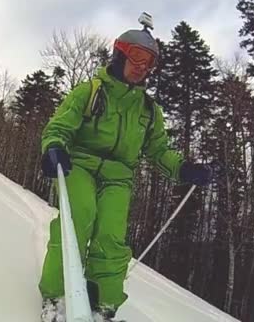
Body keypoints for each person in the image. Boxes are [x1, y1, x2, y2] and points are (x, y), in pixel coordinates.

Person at [38, 25, 213, 321]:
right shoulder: (91, 91)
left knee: (111, 233)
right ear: (119, 55)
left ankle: (102, 302)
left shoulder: (148, 110)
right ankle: (55, 294)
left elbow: (159, 150)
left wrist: (183, 168)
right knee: (79, 217)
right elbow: (60, 126)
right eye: (136, 58)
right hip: (79, 164)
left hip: (118, 176)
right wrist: (54, 146)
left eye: (148, 64)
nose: (141, 68)